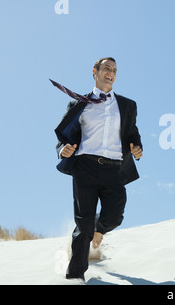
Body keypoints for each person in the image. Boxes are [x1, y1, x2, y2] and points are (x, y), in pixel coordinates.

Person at [54, 57, 143, 281]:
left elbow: (132, 132)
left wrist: (137, 146)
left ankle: (98, 228)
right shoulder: (78, 104)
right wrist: (62, 149)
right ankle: (75, 277)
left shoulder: (127, 105)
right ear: (95, 71)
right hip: (85, 167)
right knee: (82, 227)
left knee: (114, 216)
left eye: (114, 70)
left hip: (114, 169)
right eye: (106, 68)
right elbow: (64, 135)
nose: (110, 73)